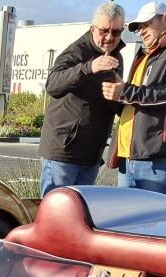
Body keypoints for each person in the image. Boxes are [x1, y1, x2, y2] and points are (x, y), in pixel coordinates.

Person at [101, 1, 166, 197]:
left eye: (146, 24)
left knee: (155, 223)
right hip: (128, 155)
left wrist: (125, 92)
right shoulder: (145, 54)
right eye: (139, 28)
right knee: (127, 224)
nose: (142, 31)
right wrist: (115, 93)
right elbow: (135, 99)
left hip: (157, 158)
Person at [39, 2, 126, 196]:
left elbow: (111, 102)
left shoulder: (116, 57)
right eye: (104, 31)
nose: (109, 37)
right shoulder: (77, 51)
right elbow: (53, 84)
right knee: (56, 213)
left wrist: (121, 93)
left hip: (91, 156)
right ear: (92, 28)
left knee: (79, 216)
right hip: (64, 153)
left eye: (116, 32)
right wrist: (89, 67)